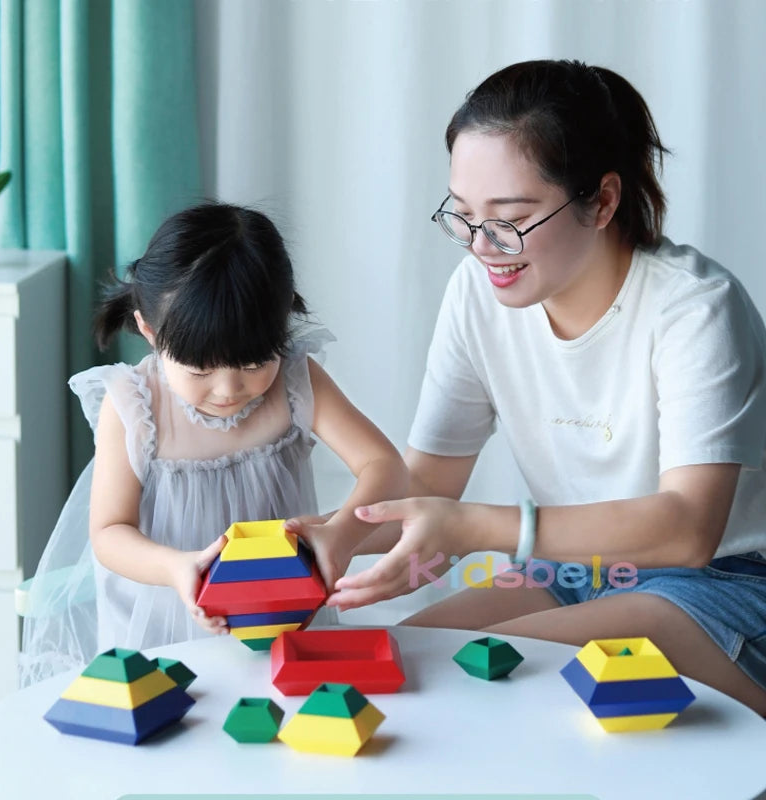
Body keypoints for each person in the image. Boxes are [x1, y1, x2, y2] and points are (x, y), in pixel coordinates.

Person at [318, 59, 766, 714]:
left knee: (481, 685)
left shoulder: (695, 307)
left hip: (722, 581)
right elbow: (431, 491)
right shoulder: (476, 292)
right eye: (464, 216)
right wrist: (328, 535)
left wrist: (471, 528)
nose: (482, 247)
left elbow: (689, 530)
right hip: (574, 570)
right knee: (398, 665)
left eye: (509, 217)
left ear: (603, 201)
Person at [20, 201, 407, 686]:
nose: (229, 389)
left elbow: (384, 465)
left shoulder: (295, 382)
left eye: (252, 365)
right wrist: (177, 568)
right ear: (149, 331)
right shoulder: (133, 406)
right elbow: (109, 534)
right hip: (167, 627)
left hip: (285, 618)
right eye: (200, 370)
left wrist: (341, 533)